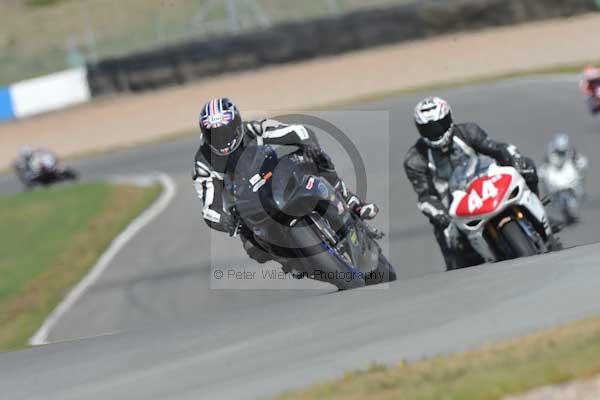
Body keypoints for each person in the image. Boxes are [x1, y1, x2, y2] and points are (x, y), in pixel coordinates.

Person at [192, 97, 378, 264]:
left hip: (274, 177)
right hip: (245, 205)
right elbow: (209, 208)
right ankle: (294, 263)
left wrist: (310, 146)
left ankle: (350, 200)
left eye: (225, 132)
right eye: (213, 135)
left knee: (315, 159)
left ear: (237, 125)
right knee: (254, 250)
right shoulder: (203, 162)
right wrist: (226, 221)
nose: (222, 140)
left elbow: (297, 131)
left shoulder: (254, 130)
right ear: (204, 135)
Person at [403, 97, 541, 270]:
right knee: (448, 241)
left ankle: (539, 211)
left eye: (439, 125)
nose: (435, 132)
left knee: (527, 167)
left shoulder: (468, 132)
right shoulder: (415, 159)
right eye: (428, 128)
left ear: (450, 119)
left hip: (484, 182)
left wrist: (514, 158)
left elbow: (497, 148)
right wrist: (439, 212)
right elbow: (424, 196)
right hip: (453, 205)